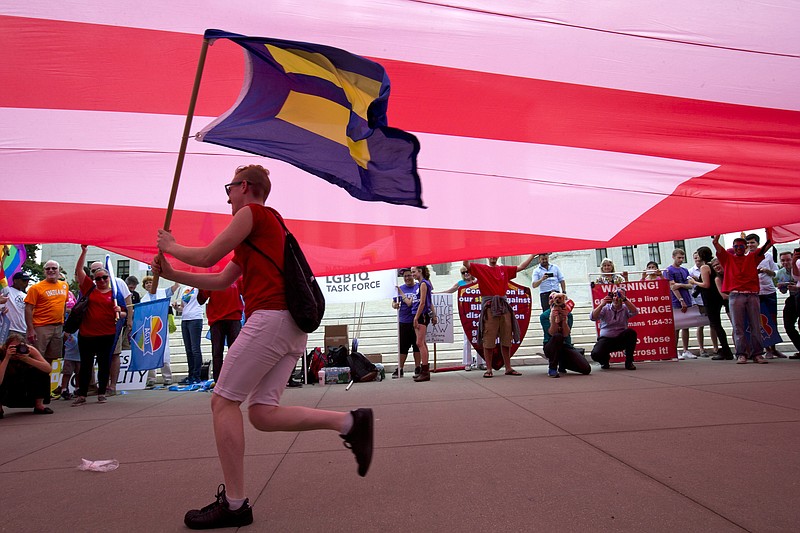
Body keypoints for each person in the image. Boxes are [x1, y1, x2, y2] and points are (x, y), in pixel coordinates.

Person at [153, 164, 373, 530]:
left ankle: (236, 505)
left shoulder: (252, 214)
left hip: (270, 319)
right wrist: (172, 272)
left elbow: (208, 256)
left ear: (244, 187)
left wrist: (171, 246)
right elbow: (222, 278)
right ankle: (350, 422)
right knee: (262, 413)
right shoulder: (265, 229)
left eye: (229, 188)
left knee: (223, 400)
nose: (226, 196)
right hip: (290, 329)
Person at [462, 255, 536, 378]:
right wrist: (469, 249)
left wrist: (533, 255)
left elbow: (521, 267)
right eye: (491, 257)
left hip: (503, 307)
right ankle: (489, 369)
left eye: (495, 256)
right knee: (488, 338)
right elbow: (466, 263)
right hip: (490, 308)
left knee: (507, 337)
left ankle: (508, 367)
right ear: (487, 257)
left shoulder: (504, 269)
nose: (493, 259)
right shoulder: (481, 268)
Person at [72, 245, 127, 406]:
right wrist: (84, 252)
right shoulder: (89, 289)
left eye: (104, 277)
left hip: (107, 334)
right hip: (87, 334)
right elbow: (79, 271)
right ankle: (82, 394)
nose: (101, 280)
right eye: (98, 278)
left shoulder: (115, 294)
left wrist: (119, 311)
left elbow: (124, 313)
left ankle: (102, 392)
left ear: (109, 278)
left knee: (104, 364)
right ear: (94, 280)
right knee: (86, 365)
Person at [713, 231, 773, 364]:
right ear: (733, 248)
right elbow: (716, 244)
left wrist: (770, 232)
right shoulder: (728, 258)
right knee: (738, 326)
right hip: (736, 295)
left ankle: (757, 354)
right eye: (736, 246)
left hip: (751, 295)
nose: (738, 248)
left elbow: (767, 246)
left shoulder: (752, 257)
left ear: (745, 248)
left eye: (741, 246)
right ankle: (741, 354)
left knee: (755, 325)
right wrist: (716, 234)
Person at [24, 259, 69, 410]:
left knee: (50, 362)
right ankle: (33, 396)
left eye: (53, 268)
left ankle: (43, 394)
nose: (51, 271)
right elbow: (28, 308)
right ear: (44, 271)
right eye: (48, 268)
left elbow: (63, 305)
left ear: (58, 270)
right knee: (36, 360)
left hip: (57, 327)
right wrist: (30, 329)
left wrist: (62, 323)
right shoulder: (36, 288)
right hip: (41, 327)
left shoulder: (64, 285)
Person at [89, 260, 132, 396]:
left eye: (100, 270)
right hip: (95, 328)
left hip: (114, 325)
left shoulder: (118, 282)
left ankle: (112, 386)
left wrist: (129, 320)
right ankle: (99, 385)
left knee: (114, 354)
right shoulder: (90, 286)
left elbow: (128, 302)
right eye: (93, 271)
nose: (99, 276)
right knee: (97, 356)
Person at [688, 247, 734, 361]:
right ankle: (725, 349)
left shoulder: (704, 267)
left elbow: (706, 284)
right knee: (716, 325)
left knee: (716, 325)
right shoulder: (712, 265)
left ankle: (726, 351)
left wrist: (694, 282)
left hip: (710, 298)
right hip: (717, 297)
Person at [745, 234, 784, 358]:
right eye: (749, 243)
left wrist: (766, 271)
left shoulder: (767, 256)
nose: (750, 245)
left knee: (773, 319)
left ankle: (773, 348)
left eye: (753, 243)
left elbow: (775, 273)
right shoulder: (745, 257)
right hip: (755, 293)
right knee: (760, 321)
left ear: (758, 243)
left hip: (769, 291)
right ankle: (766, 348)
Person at [198, 281, 244, 382]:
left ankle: (236, 381)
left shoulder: (237, 276)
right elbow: (201, 300)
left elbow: (247, 292)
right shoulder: (212, 278)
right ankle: (218, 381)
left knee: (235, 352)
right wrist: (200, 285)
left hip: (234, 318)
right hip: (217, 320)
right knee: (217, 352)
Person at [0, 333, 55, 417]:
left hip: (25, 382)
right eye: (12, 347)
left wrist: (27, 359)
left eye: (18, 347)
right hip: (8, 384)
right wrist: (7, 358)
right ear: (6, 346)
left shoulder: (29, 350)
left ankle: (39, 405)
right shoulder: (1, 352)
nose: (16, 350)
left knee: (41, 370)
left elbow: (48, 369)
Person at [441, 267, 485, 370]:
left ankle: (481, 362)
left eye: (467, 271)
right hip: (466, 314)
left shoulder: (478, 281)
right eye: (463, 272)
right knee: (467, 339)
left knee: (481, 338)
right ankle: (467, 362)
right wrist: (436, 294)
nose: (466, 274)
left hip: (478, 313)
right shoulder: (460, 283)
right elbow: (450, 290)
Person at [540, 292, 591, 378]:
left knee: (586, 369)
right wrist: (553, 318)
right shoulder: (544, 316)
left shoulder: (568, 314)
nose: (555, 300)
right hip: (550, 346)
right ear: (549, 301)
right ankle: (552, 368)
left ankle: (563, 363)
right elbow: (552, 333)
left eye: (558, 298)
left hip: (565, 345)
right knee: (557, 336)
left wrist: (564, 319)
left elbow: (566, 334)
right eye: (551, 298)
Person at [589, 287, 639, 370]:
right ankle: (604, 361)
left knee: (631, 333)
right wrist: (601, 305)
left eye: (619, 296)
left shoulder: (625, 308)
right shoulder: (605, 308)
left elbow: (635, 311)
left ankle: (629, 362)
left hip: (620, 339)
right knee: (595, 354)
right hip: (606, 339)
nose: (616, 298)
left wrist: (624, 298)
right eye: (615, 295)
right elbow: (593, 317)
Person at [142, 275, 178, 387]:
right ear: (144, 286)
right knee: (150, 351)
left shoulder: (163, 292)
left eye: (151, 282)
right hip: (149, 327)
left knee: (164, 351)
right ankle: (151, 378)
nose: (149, 284)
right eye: (146, 283)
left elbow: (175, 287)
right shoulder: (143, 299)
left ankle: (167, 377)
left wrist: (178, 276)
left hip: (161, 327)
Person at [664, 248, 695, 359]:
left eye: (682, 258)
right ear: (673, 257)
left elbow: (690, 285)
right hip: (676, 301)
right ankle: (675, 350)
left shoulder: (685, 270)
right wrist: (681, 300)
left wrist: (681, 285)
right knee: (676, 327)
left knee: (686, 326)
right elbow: (673, 287)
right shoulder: (669, 271)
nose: (681, 260)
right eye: (679, 258)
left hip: (687, 298)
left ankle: (686, 349)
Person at [687, 252, 719, 357]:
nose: (697, 259)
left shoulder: (709, 267)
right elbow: (690, 287)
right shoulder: (691, 271)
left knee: (713, 324)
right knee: (700, 325)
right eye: (695, 257)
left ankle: (715, 347)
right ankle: (701, 348)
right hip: (698, 301)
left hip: (709, 299)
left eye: (699, 257)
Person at [392, 269, 420, 378]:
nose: (407, 278)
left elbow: (410, 303)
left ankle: (418, 367)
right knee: (403, 346)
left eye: (409, 275)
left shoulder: (418, 287)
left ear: (413, 276)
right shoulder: (401, 288)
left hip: (416, 320)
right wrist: (395, 305)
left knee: (417, 345)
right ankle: (400, 368)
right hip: (403, 321)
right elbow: (394, 302)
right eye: (405, 276)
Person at [411, 265, 434, 382]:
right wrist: (434, 315)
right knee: (422, 343)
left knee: (419, 343)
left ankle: (425, 371)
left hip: (421, 315)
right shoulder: (422, 284)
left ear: (420, 271)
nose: (412, 274)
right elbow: (430, 302)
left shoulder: (423, 284)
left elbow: (423, 303)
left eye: (414, 272)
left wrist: (416, 317)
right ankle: (424, 369)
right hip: (420, 314)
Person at [178, 287, 205, 384]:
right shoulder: (184, 289)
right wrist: (176, 308)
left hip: (195, 318)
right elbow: (182, 306)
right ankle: (190, 375)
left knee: (195, 349)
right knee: (188, 349)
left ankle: (196, 375)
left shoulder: (198, 287)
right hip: (185, 319)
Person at [776, 251, 800, 357]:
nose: (786, 263)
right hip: (792, 298)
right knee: (788, 324)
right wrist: (782, 287)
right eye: (783, 260)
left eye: (788, 260)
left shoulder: (798, 265)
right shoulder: (781, 273)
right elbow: (783, 291)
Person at [2, 272, 30, 338]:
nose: (26, 283)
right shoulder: (7, 290)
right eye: (24, 280)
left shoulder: (26, 295)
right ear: (15, 281)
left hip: (23, 329)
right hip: (9, 328)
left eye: (27, 281)